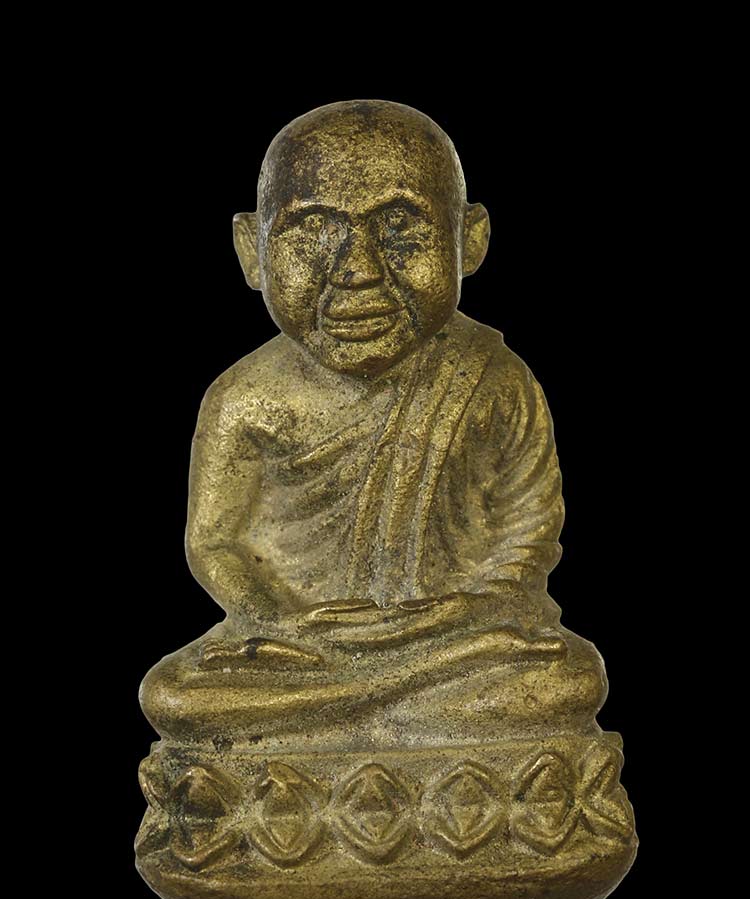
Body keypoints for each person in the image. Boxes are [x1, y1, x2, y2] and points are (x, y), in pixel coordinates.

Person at [140, 99, 607, 749]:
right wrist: (280, 622)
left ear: (470, 240)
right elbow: (216, 543)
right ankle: (388, 717)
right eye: (312, 228)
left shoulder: (493, 378)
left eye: (399, 226)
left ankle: (364, 720)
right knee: (180, 696)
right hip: (306, 647)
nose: (358, 269)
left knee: (566, 680)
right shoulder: (245, 400)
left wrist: (473, 608)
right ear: (252, 251)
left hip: (460, 640)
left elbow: (528, 529)